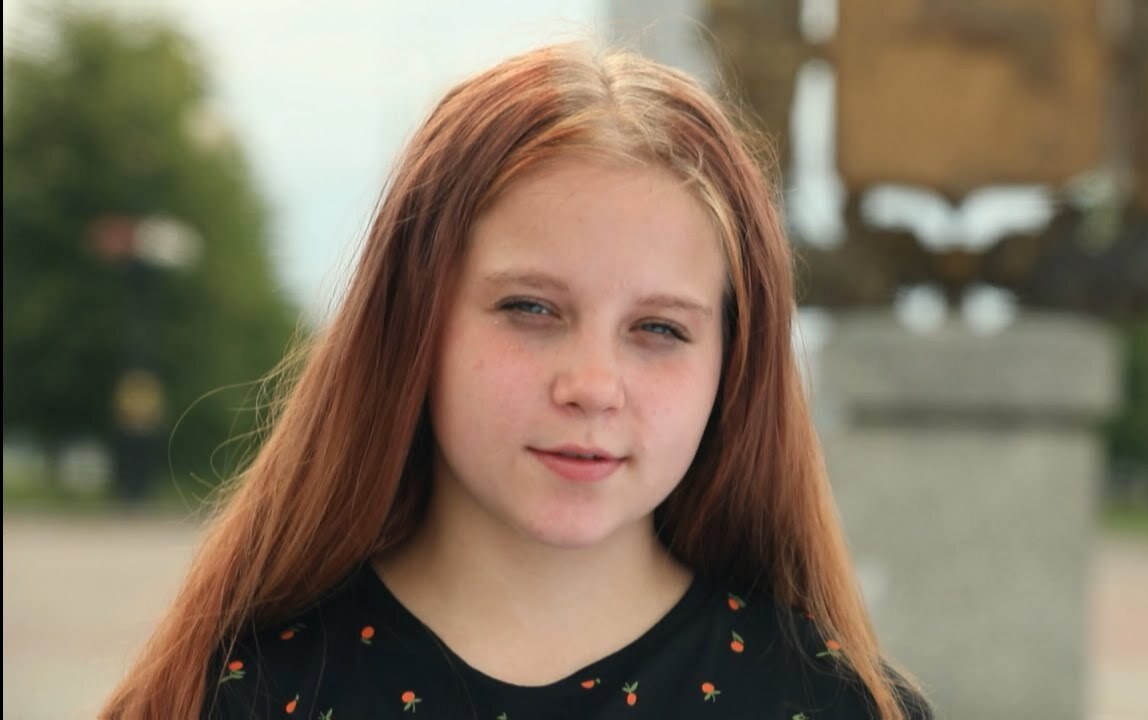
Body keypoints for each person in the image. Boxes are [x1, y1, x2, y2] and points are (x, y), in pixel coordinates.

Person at [101, 43, 930, 720]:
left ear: (733, 365)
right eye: (531, 308)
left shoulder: (829, 705)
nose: (593, 385)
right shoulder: (242, 696)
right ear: (414, 323)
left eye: (659, 329)